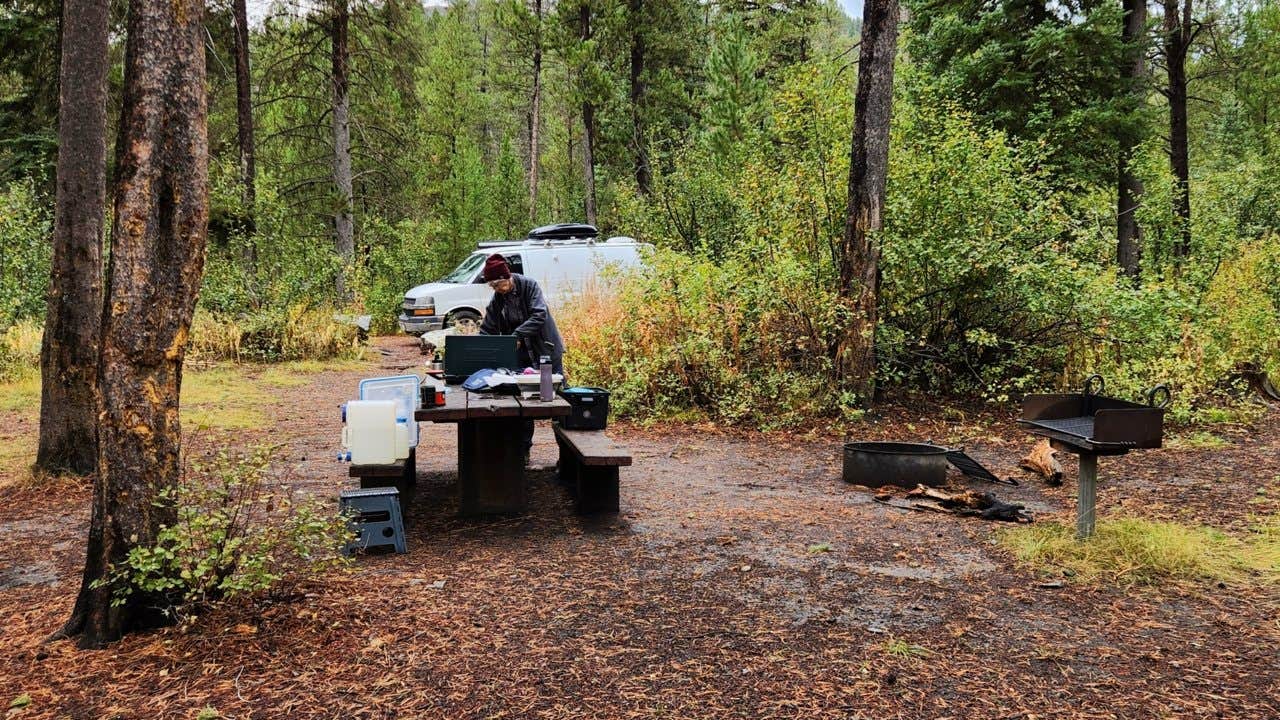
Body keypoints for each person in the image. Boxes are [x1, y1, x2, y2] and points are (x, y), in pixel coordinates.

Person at [478, 253, 565, 465]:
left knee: (559, 403)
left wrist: (516, 335)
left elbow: (539, 315)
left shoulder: (529, 286)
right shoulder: (498, 299)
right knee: (522, 406)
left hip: (546, 352)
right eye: (493, 286)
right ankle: (523, 454)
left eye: (499, 285)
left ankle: (567, 457)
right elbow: (487, 329)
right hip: (522, 359)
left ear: (507, 278)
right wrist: (477, 349)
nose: (497, 289)